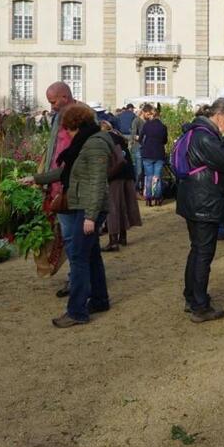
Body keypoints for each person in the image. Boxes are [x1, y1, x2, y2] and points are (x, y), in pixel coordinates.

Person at [27, 103, 114, 328]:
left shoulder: (94, 144)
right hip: (82, 205)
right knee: (91, 254)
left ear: (75, 125)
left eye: (66, 128)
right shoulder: (84, 141)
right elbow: (65, 172)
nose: (65, 132)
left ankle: (76, 311)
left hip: (88, 207)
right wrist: (36, 179)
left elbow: (96, 182)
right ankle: (100, 300)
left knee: (77, 257)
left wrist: (90, 217)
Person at [176, 97, 224, 323]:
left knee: (197, 250)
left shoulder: (196, 131)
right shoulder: (205, 136)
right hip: (204, 202)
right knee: (204, 254)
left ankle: (191, 297)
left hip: (193, 199)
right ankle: (200, 306)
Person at [42, 82, 77, 298]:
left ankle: (78, 281)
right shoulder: (58, 117)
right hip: (56, 186)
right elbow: (54, 149)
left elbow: (73, 159)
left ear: (65, 96)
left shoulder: (78, 117)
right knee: (69, 237)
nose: (52, 106)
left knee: (74, 238)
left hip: (70, 188)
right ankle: (78, 278)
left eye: (54, 102)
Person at [99, 120, 142, 251]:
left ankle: (113, 241)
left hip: (114, 175)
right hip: (127, 174)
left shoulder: (105, 140)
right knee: (124, 205)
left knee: (113, 207)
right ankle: (123, 237)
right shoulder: (119, 137)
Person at [138, 105, 168, 207]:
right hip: (159, 153)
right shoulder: (163, 127)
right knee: (157, 177)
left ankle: (149, 197)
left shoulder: (146, 125)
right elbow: (165, 141)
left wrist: (144, 145)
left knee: (149, 177)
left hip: (147, 153)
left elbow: (140, 138)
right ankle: (157, 197)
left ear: (151, 115)